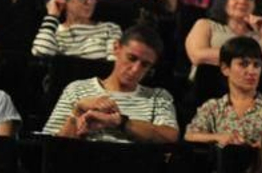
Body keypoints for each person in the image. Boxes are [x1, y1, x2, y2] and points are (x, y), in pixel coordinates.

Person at [43, 27, 178, 144]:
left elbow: (170, 137)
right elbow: (49, 147)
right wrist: (78, 111)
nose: (136, 69)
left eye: (145, 64)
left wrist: (120, 122)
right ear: (116, 48)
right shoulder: (77, 89)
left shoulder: (158, 97)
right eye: (131, 58)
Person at [184, 38, 262, 148]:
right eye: (243, 64)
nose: (252, 71)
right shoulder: (213, 107)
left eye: (256, 65)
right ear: (225, 69)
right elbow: (190, 135)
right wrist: (218, 137)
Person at [33, 0, 122, 60]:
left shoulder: (109, 29)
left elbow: (113, 64)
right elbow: (42, 52)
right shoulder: (53, 32)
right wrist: (52, 16)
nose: (89, 2)